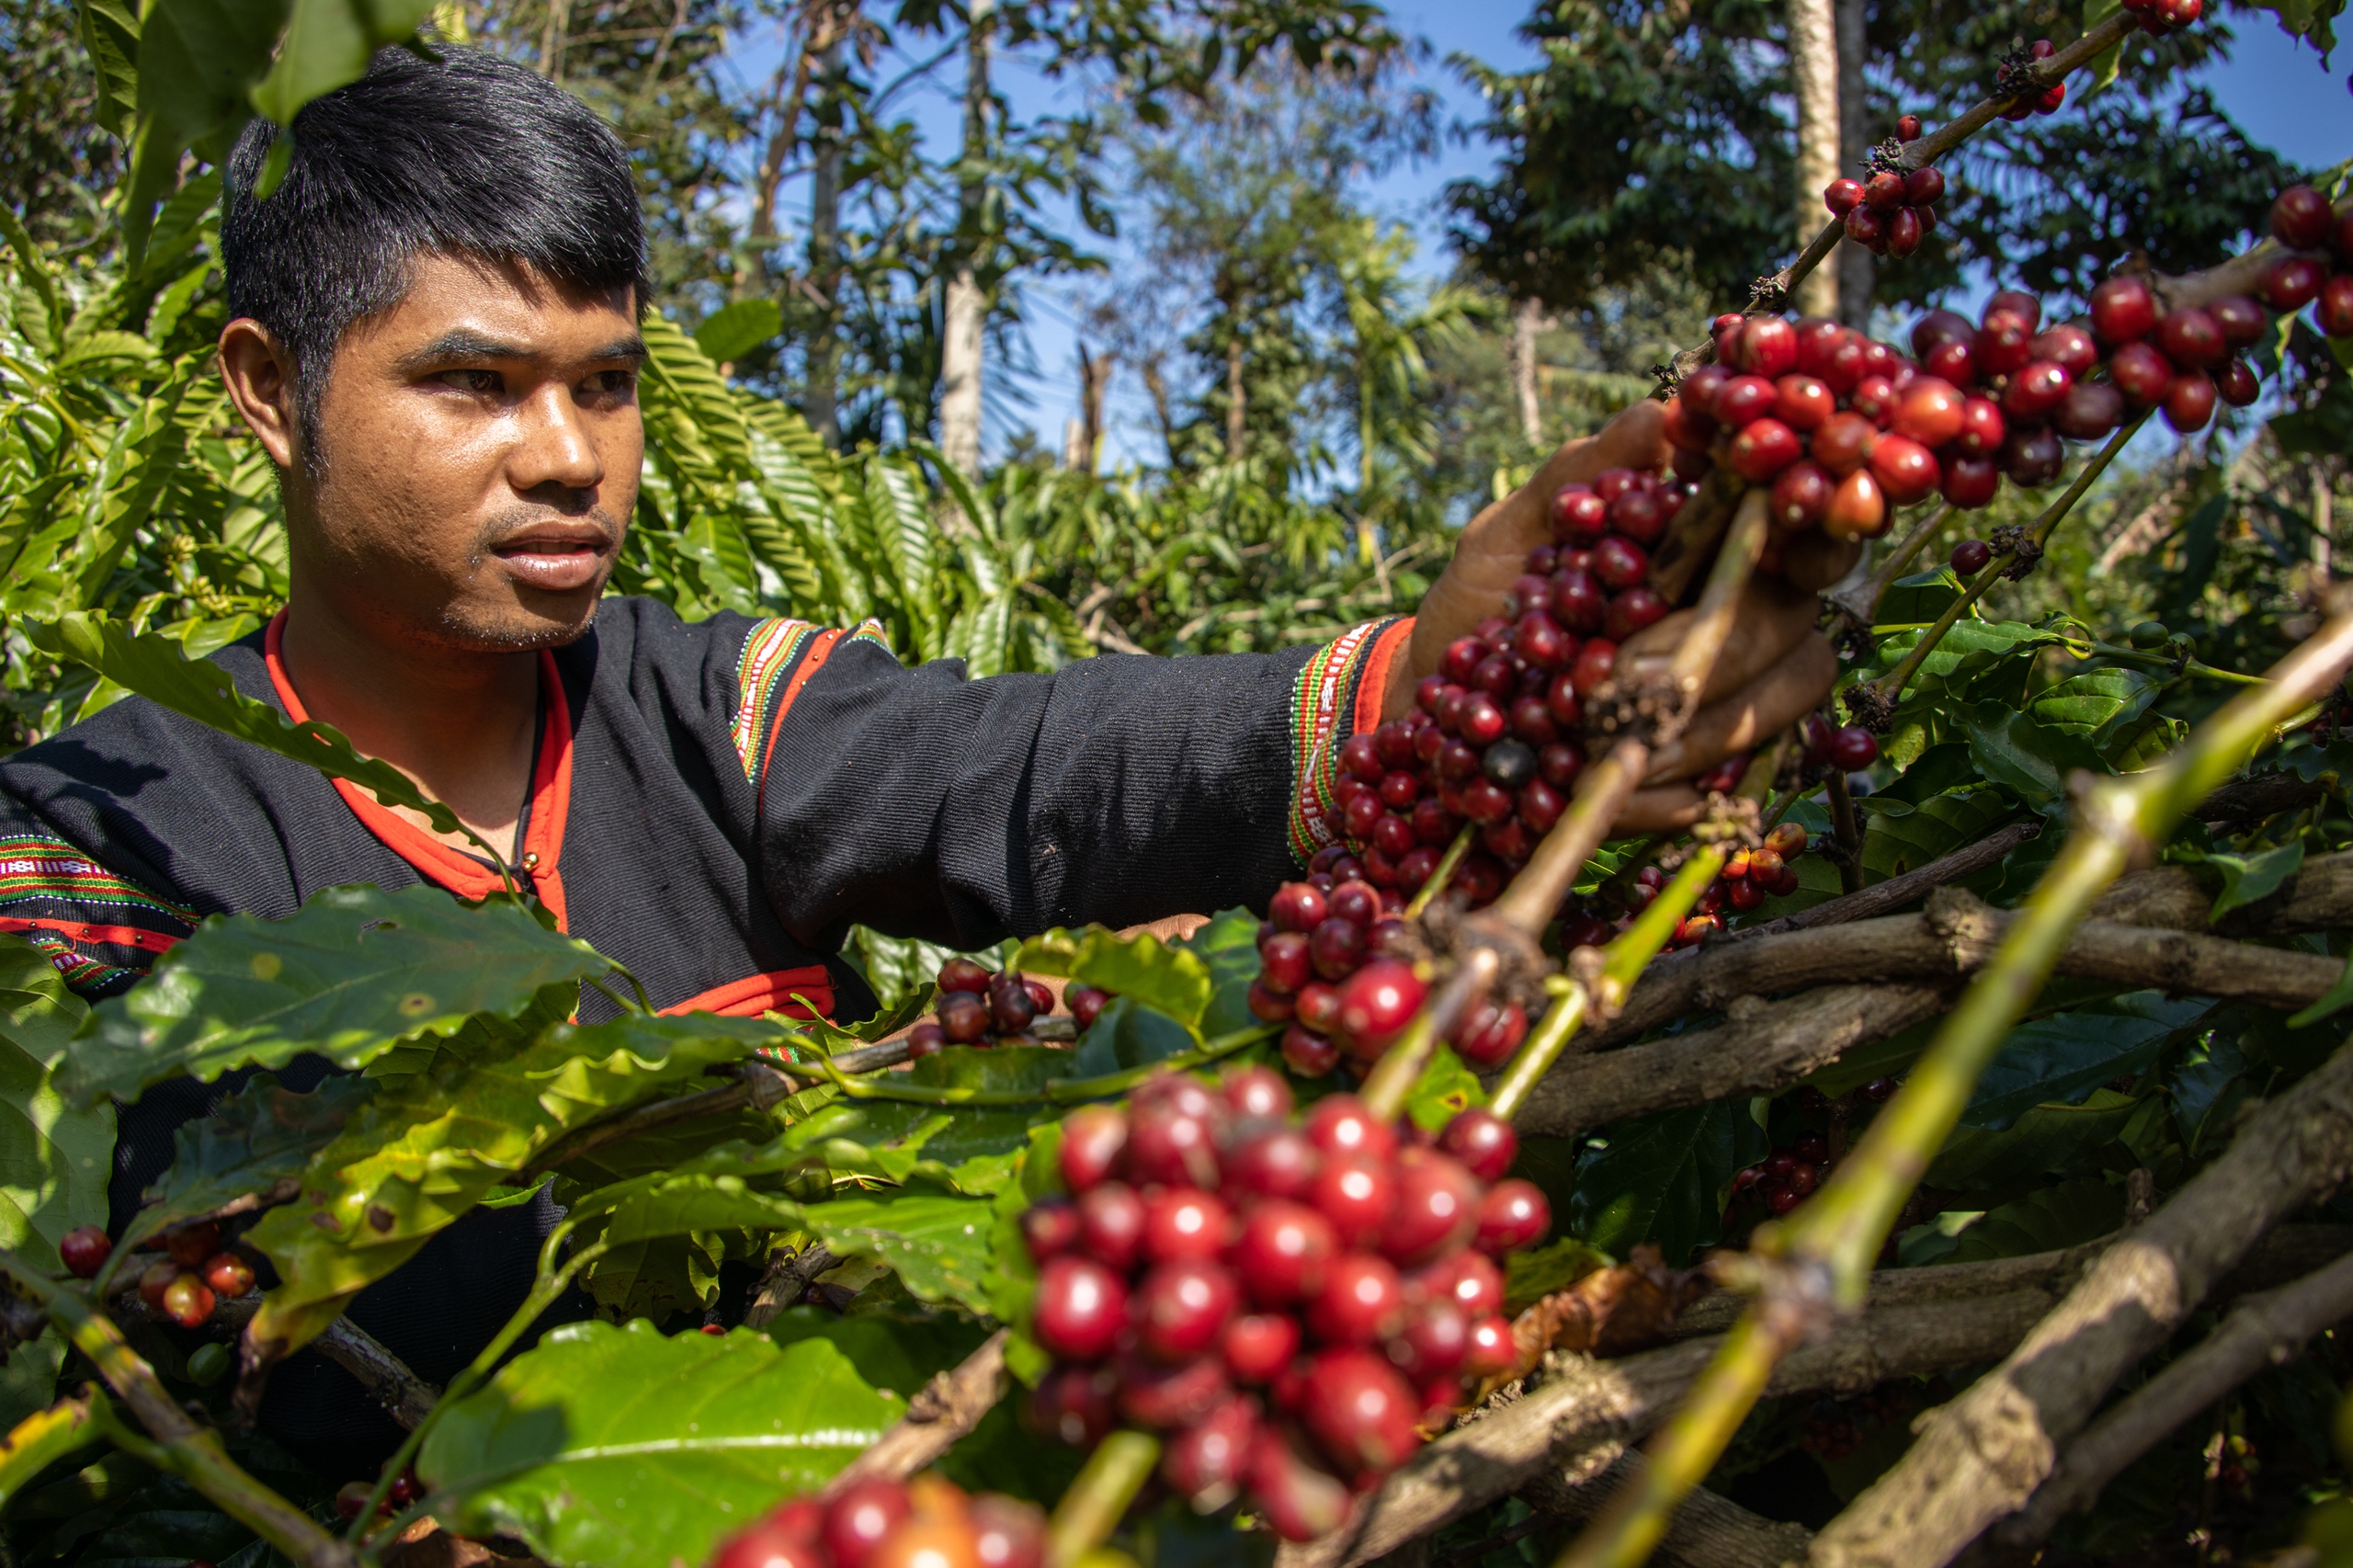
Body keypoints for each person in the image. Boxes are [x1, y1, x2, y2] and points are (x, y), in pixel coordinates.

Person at [0, 48, 1845, 1471]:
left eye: (611, 381)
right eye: (475, 385)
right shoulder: (98, 846)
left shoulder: (708, 712)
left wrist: (1434, 688)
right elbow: (173, 1340)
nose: (571, 456)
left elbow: (1024, 770)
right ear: (265, 387)